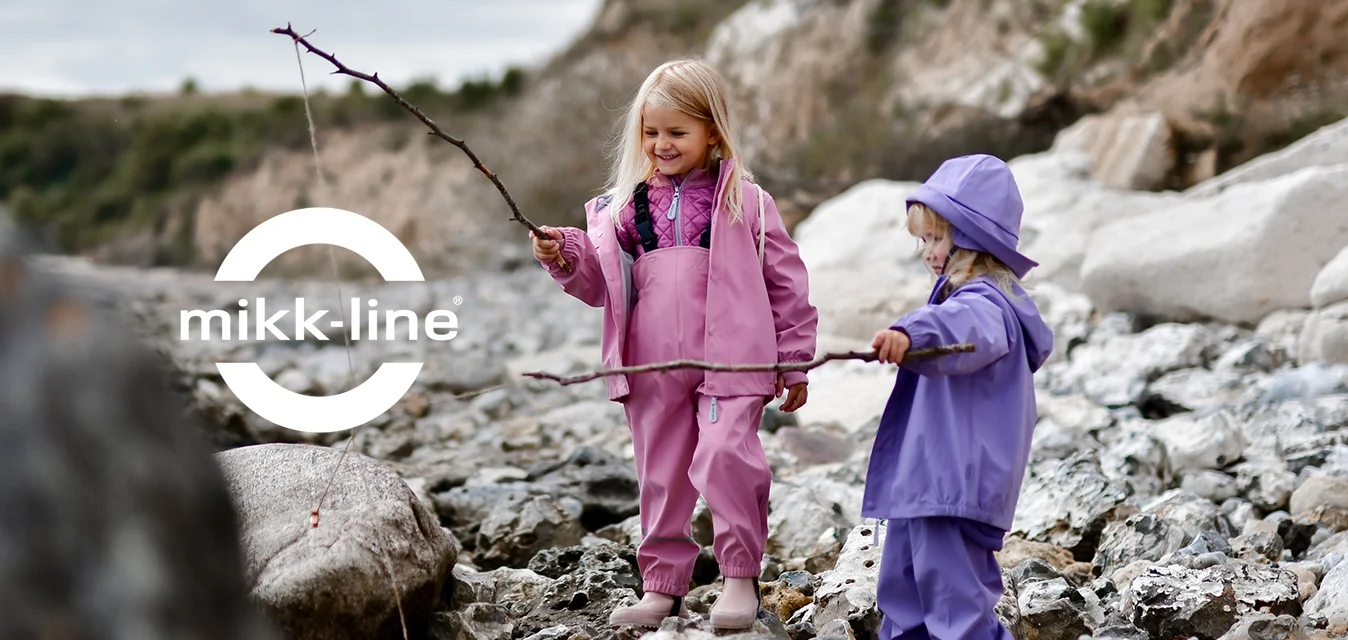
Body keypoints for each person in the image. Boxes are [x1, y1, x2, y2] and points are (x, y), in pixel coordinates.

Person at [530, 58, 819, 630]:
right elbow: (599, 285)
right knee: (660, 473)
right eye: (651, 132)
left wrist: (794, 362)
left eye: (677, 132)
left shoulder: (747, 203)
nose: (661, 144)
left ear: (713, 130)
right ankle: (664, 585)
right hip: (652, 363)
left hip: (733, 362)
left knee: (725, 457)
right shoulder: (624, 209)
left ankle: (740, 576)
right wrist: (564, 252)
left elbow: (787, 284)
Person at [864, 154, 1054, 640]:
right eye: (923, 239)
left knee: (957, 606)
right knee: (902, 596)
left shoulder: (988, 304)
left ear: (971, 240)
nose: (928, 251)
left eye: (937, 237)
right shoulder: (962, 299)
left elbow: (960, 331)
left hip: (955, 487)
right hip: (923, 482)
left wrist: (911, 335)